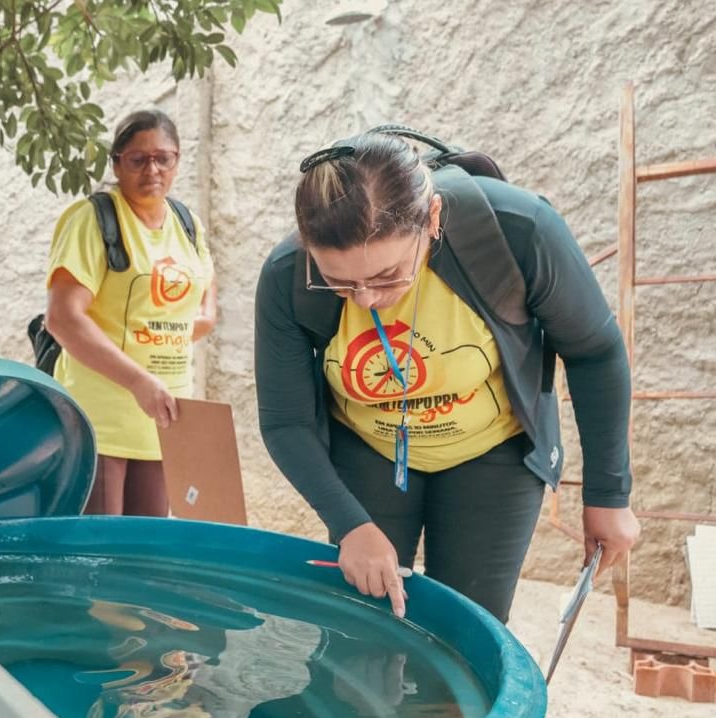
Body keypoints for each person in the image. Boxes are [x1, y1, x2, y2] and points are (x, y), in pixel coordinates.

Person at [254, 132, 640, 622]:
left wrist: (609, 495)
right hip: (367, 447)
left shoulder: (519, 230)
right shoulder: (286, 276)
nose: (367, 298)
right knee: (362, 628)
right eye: (340, 282)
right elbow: (286, 421)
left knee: (466, 628)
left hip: (493, 450)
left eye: (387, 275)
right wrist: (350, 525)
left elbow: (595, 352)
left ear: (432, 218)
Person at [45, 109, 217, 516]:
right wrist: (139, 378)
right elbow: (63, 319)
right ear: (117, 163)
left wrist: (179, 330)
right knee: (98, 556)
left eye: (164, 158)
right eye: (138, 159)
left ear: (177, 159)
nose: (152, 169)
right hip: (100, 421)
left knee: (144, 556)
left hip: (164, 419)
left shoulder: (186, 222)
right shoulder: (92, 219)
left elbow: (206, 294)